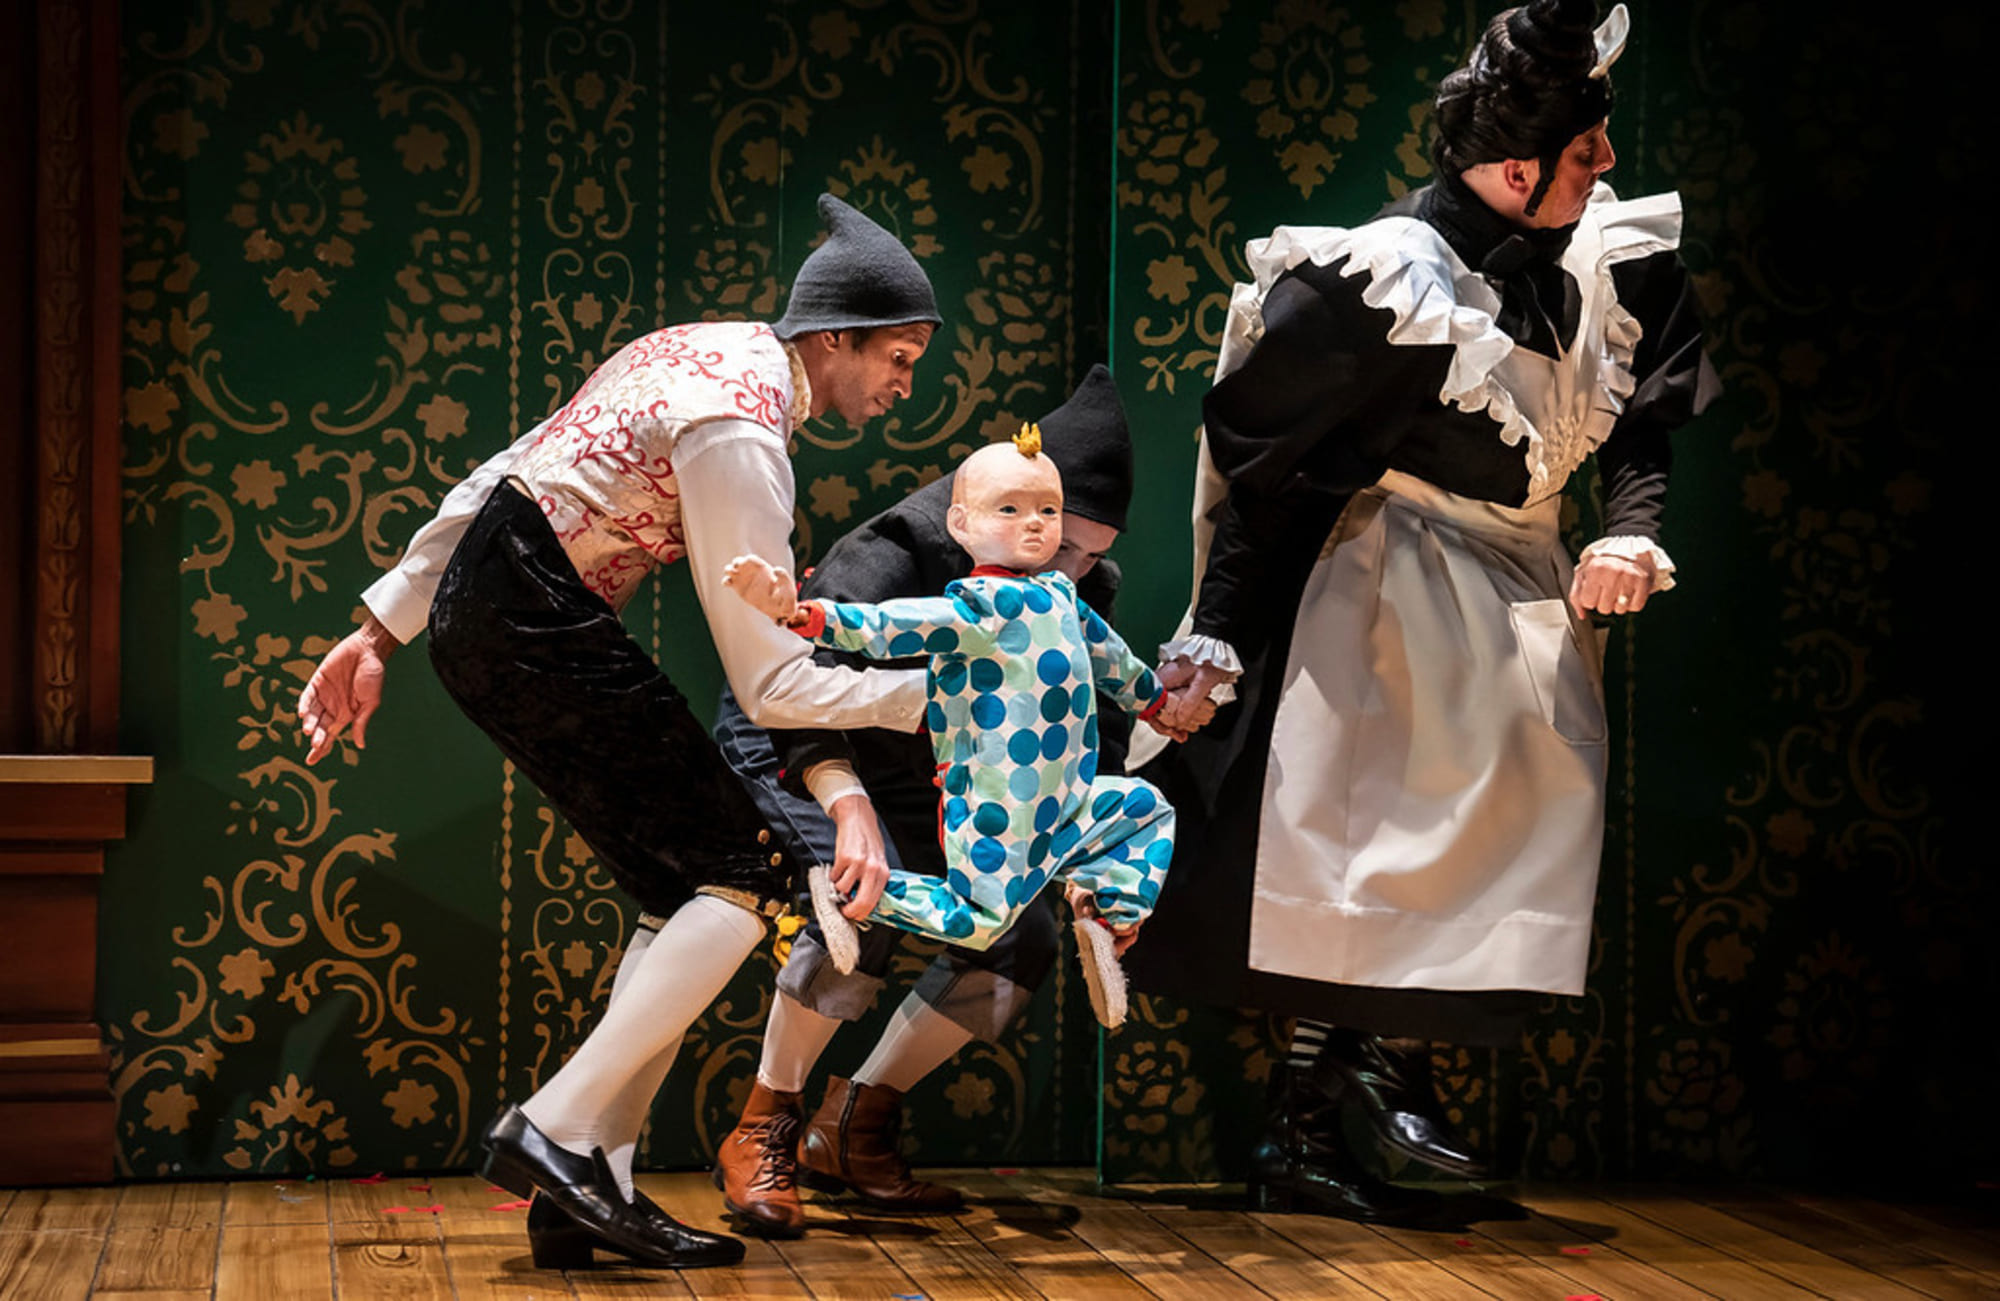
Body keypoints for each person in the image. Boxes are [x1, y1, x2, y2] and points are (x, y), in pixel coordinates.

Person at [1135, 0, 1715, 1221]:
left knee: (1521, 806)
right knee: (1382, 824)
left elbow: (1641, 422)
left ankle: (1352, 1095)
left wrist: (1628, 528)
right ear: (1513, 168)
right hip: (1390, 575)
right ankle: (1346, 1098)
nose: (1606, 163)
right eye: (1583, 149)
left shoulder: (1604, 257)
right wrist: (1218, 631)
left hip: (1521, 576)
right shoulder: (1393, 275)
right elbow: (1274, 471)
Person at [295, 194, 942, 1269]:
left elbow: (503, 472)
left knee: (682, 882)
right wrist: (933, 699)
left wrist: (380, 628)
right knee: (747, 871)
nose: (904, 385)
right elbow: (770, 680)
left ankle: (591, 1182)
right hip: (532, 619)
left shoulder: (692, 347)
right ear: (835, 336)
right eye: (899, 358)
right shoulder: (743, 427)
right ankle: (559, 1130)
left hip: (493, 605)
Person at [705, 366, 1188, 1237]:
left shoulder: (1071, 586)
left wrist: (1085, 865)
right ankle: (765, 1119)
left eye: (1084, 548)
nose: (1069, 561)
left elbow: (1094, 721)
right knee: (864, 895)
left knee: (1021, 936)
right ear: (976, 515)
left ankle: (855, 1124)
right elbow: (798, 685)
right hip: (813, 744)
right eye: (1057, 538)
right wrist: (848, 807)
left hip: (945, 772)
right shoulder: (898, 550)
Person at [725, 431, 1180, 1019]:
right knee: (982, 920)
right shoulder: (975, 608)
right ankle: (855, 897)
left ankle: (1108, 918)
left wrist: (1155, 702)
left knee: (1147, 810)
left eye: (1047, 511)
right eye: (1010, 509)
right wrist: (807, 616)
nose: (1035, 524)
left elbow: (1114, 662)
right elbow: (889, 627)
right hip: (996, 799)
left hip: (1066, 797)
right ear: (961, 524)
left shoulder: (1065, 598)